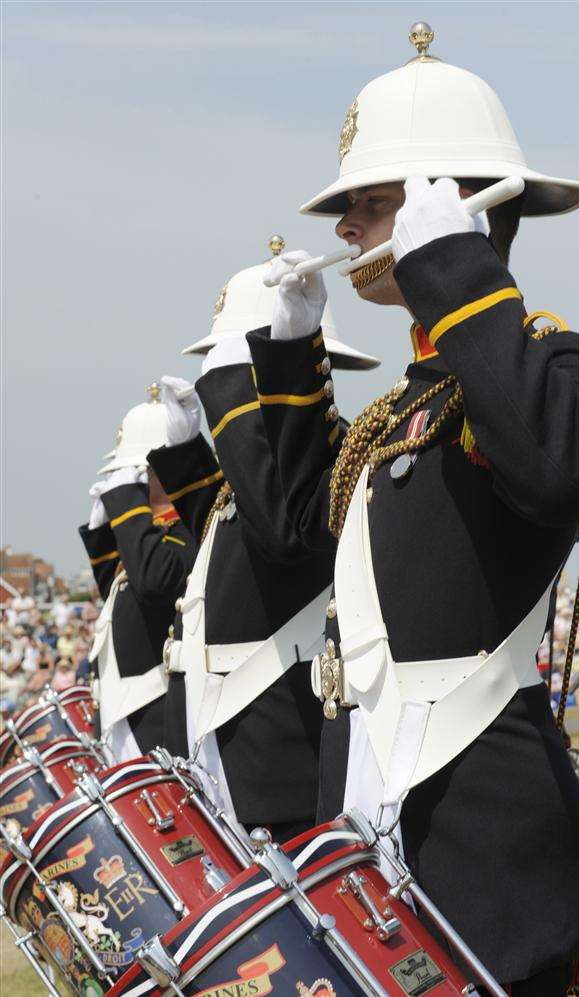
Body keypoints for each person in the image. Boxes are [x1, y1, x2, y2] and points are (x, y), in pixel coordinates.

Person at [246, 25, 579, 995]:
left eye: (366, 204)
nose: (345, 233)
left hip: (480, 843)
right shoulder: (397, 408)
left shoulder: (549, 363)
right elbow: (287, 534)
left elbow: (557, 467)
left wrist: (458, 273)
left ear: (439, 199)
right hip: (367, 825)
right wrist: (289, 367)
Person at [146, 237, 379, 843]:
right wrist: (185, 456)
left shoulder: (336, 453)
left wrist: (230, 389)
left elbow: (281, 530)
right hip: (234, 758)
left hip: (287, 773)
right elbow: (223, 548)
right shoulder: (252, 479)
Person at [79, 383, 196, 763]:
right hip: (128, 718)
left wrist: (129, 507)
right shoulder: (151, 540)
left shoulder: (188, 531)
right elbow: (121, 600)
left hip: (159, 725)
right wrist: (104, 536)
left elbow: (153, 582)